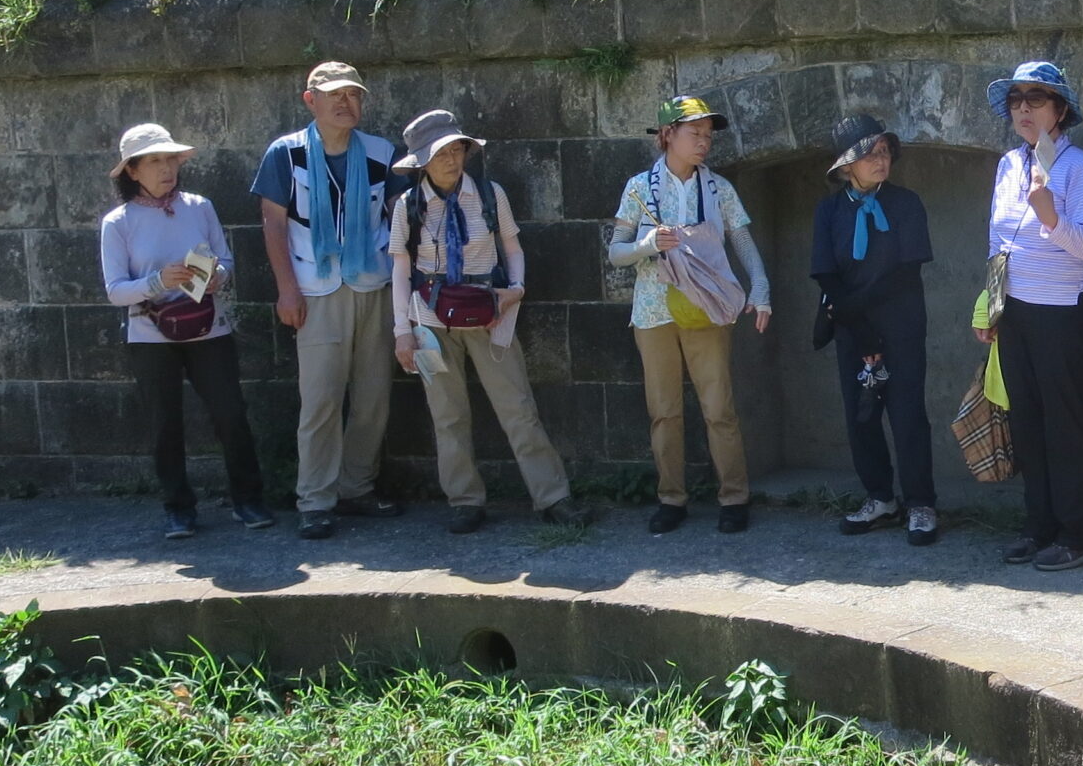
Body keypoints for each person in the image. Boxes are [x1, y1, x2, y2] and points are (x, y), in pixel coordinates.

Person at [387, 109, 593, 534]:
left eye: (457, 149)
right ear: (422, 162)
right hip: (429, 319)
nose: (451, 159)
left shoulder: (488, 194)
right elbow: (401, 270)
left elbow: (512, 247)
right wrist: (402, 332)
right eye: (440, 153)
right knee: (446, 414)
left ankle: (553, 497)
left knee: (517, 407)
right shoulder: (408, 207)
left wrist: (516, 289)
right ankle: (464, 501)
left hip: (489, 313)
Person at [252, 61, 406, 541]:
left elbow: (401, 222)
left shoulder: (383, 152)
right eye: (334, 94)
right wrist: (286, 289)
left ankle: (356, 487)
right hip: (314, 288)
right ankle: (315, 499)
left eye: (353, 94)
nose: (345, 102)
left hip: (372, 284)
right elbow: (273, 224)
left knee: (374, 397)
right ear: (310, 100)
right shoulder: (286, 153)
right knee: (320, 399)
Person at [100, 123, 275, 540]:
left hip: (208, 328)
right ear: (132, 171)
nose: (167, 168)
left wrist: (217, 278)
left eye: (171, 159)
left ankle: (248, 500)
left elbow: (226, 261)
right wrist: (158, 281)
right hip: (149, 334)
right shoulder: (118, 222)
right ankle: (178, 509)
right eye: (154, 161)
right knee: (164, 424)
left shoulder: (200, 207)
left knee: (231, 414)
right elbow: (115, 291)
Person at [607, 95, 772, 535]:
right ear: (667, 134)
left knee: (719, 407)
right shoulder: (640, 187)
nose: (704, 142)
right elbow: (615, 252)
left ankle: (734, 497)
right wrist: (647, 245)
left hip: (706, 306)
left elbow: (742, 241)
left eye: (708, 135)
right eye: (694, 132)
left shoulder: (718, 188)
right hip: (653, 310)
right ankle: (671, 498)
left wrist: (760, 286)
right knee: (663, 411)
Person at [977, 60, 1083, 572]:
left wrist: (1048, 212)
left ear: (1059, 109)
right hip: (1016, 311)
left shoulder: (1079, 167)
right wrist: (990, 305)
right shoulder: (1009, 164)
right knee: (1027, 422)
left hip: (1062, 312)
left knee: (1065, 424)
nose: (1023, 109)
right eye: (1016, 100)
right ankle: (1041, 527)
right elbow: (998, 241)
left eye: (1036, 98)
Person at [812, 114, 941, 545]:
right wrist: (858, 327)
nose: (880, 160)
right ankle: (880, 497)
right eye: (869, 154)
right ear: (847, 165)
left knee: (907, 415)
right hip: (852, 329)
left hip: (901, 324)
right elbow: (825, 272)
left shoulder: (906, 203)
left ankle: (920, 502)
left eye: (884, 152)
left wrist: (858, 312)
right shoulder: (830, 210)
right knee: (861, 415)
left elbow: (906, 271)